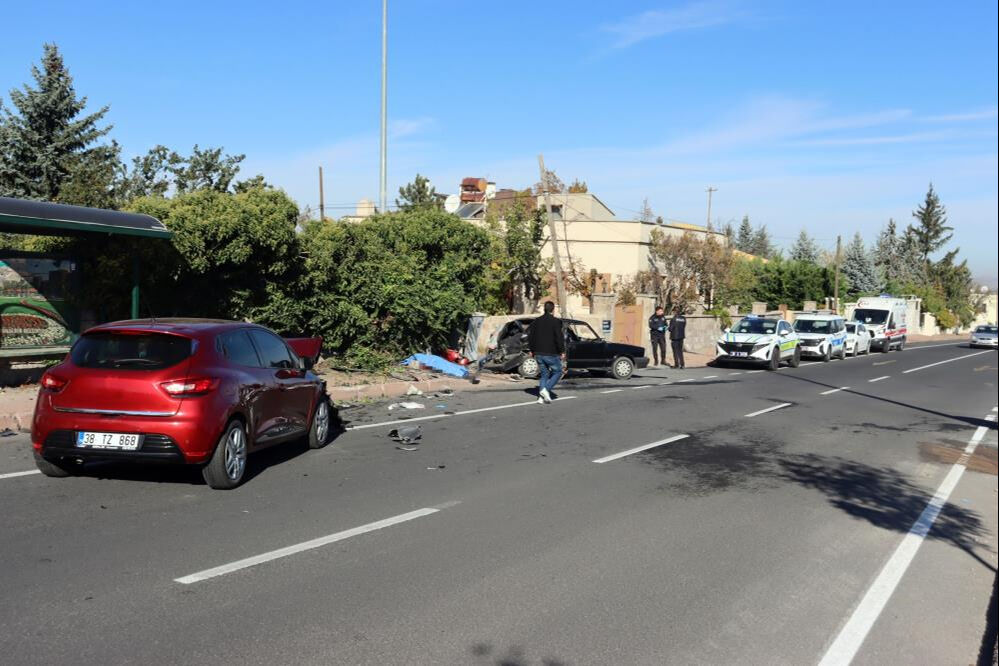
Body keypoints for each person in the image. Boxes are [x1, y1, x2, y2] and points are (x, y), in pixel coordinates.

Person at [527, 301, 566, 404]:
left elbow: (531, 336)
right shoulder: (556, 322)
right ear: (553, 310)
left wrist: (531, 350)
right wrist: (562, 351)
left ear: (544, 309)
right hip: (551, 353)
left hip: (538, 353)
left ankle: (541, 397)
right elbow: (559, 337)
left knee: (544, 374)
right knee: (558, 372)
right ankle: (545, 390)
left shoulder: (536, 321)